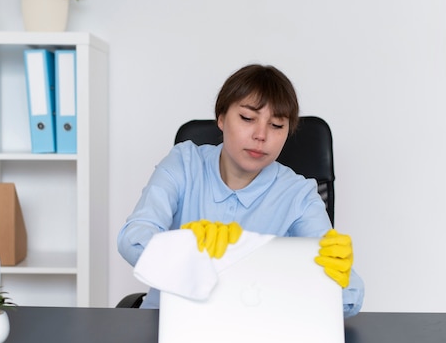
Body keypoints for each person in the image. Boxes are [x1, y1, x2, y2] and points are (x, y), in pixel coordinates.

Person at [118, 64, 364, 317]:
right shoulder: (184, 163)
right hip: (169, 321)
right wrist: (184, 249)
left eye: (276, 125)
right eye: (247, 118)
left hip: (256, 330)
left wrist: (339, 278)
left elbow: (350, 297)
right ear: (221, 118)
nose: (261, 135)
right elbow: (132, 237)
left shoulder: (299, 194)